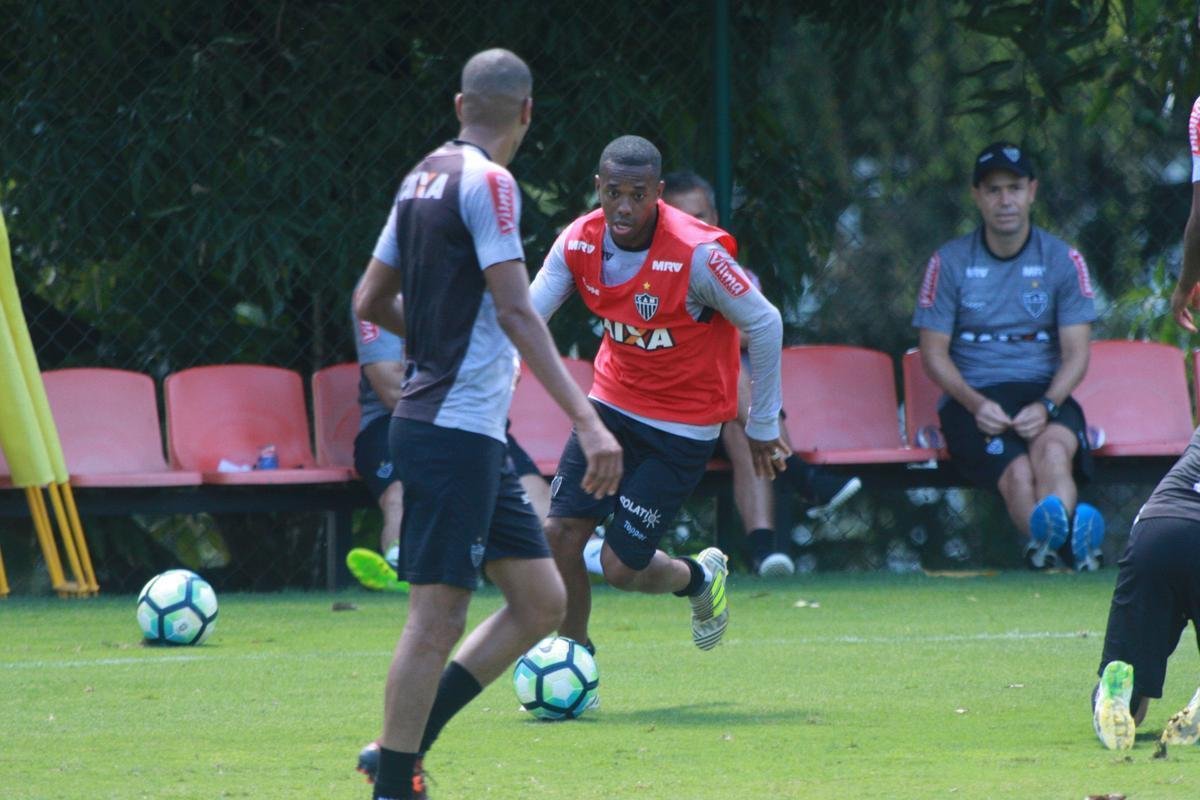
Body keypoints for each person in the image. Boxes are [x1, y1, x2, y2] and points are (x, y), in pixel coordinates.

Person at [351, 49, 622, 800]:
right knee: (436, 616)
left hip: (459, 429)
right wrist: (587, 420)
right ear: (526, 112)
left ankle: (396, 752)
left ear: (459, 104)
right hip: (452, 431)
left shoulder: (420, 178)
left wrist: (439, 342)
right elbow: (515, 310)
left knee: (541, 602)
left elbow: (369, 299)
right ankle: (394, 783)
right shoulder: (492, 184)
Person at [530, 136, 787, 655]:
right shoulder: (578, 241)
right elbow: (527, 317)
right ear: (598, 188)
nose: (624, 207)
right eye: (614, 193)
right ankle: (575, 657)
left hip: (682, 427)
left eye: (638, 195)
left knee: (620, 568)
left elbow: (765, 323)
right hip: (609, 409)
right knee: (560, 534)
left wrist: (762, 424)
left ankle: (698, 578)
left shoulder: (698, 255)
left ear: (658, 193)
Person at [913, 142, 1104, 571]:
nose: (1005, 200)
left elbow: (1077, 354)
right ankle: (1071, 550)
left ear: (1032, 191)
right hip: (975, 400)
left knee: (1053, 454)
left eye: (1014, 188)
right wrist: (976, 404)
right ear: (977, 196)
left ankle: (1048, 552)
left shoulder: (1063, 259)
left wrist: (1048, 405)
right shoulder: (948, 262)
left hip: (1044, 394)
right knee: (1017, 473)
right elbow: (932, 355)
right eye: (994, 190)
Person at [661, 171, 861, 577]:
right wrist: (715, 335)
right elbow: (704, 340)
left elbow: (756, 331)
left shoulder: (736, 274)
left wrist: (710, 334)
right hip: (675, 414)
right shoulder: (657, 277)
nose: (693, 229)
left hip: (729, 415)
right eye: (681, 220)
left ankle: (764, 552)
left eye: (701, 217)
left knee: (740, 425)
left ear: (715, 218)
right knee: (718, 362)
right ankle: (800, 475)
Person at [1092, 96, 1200, 752]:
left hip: (1160, 527)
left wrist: (1186, 283)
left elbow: (1199, 214)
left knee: (1126, 678)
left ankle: (1118, 692)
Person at [343, 312, 552, 592]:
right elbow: (391, 391)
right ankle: (398, 567)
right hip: (395, 420)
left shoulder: (485, 291)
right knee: (400, 494)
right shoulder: (381, 293)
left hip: (476, 421)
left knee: (536, 494)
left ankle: (589, 556)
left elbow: (504, 368)